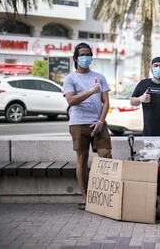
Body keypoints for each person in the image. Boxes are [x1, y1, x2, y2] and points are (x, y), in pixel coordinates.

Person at [63, 43, 112, 210]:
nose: (86, 58)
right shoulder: (70, 78)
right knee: (82, 158)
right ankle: (85, 195)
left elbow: (106, 102)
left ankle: (102, 193)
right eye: (82, 55)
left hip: (98, 123)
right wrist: (91, 91)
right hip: (78, 123)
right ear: (76, 58)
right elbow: (71, 100)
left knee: (106, 155)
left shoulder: (100, 76)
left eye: (88, 54)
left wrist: (100, 121)